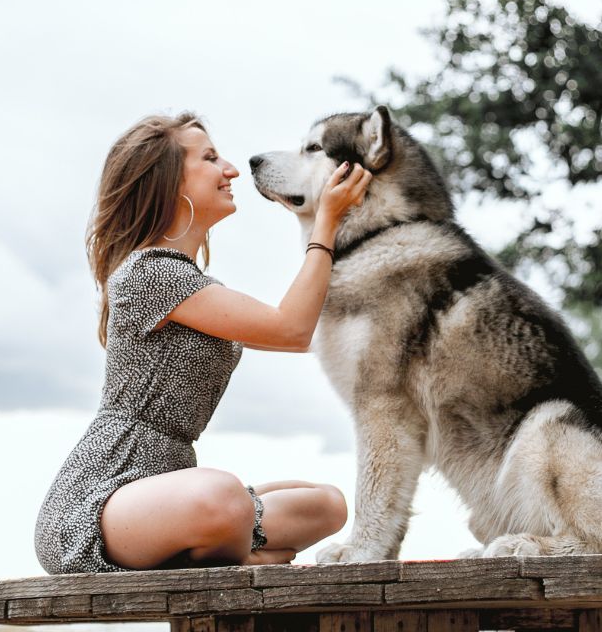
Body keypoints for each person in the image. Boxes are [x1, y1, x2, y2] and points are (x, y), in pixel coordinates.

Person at [34, 112, 372, 574]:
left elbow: (302, 330)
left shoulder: (194, 283)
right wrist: (325, 224)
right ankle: (235, 547)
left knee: (328, 504)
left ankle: (221, 544)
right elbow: (290, 329)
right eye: (211, 158)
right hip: (100, 503)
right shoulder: (150, 273)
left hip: (174, 489)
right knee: (222, 494)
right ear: (169, 180)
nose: (231, 170)